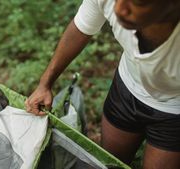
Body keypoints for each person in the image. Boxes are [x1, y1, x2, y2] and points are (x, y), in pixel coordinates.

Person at [25, 0, 180, 168]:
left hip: (174, 111)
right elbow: (81, 27)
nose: (119, 9)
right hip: (126, 89)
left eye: (138, 3)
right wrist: (45, 84)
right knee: (108, 162)